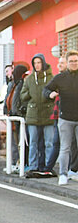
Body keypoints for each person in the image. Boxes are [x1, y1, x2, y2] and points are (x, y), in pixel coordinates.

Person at [44, 50, 78, 185]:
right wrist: (50, 94)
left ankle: (75, 171)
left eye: (76, 61)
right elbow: (45, 90)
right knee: (65, 148)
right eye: (71, 61)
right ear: (67, 63)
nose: (74, 63)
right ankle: (63, 174)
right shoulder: (60, 78)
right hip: (65, 119)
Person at [20, 54, 56, 177]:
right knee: (33, 142)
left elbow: (56, 91)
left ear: (43, 63)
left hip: (48, 113)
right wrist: (30, 96)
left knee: (49, 142)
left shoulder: (51, 78)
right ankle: (33, 166)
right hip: (33, 114)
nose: (37, 65)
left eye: (39, 62)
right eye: (35, 63)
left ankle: (48, 166)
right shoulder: (29, 79)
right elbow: (22, 95)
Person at [6, 64, 28, 171]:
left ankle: (23, 163)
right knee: (16, 141)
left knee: (22, 142)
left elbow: (21, 99)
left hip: (20, 116)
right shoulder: (14, 84)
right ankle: (17, 163)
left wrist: (18, 111)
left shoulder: (22, 84)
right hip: (14, 116)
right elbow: (11, 99)